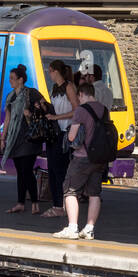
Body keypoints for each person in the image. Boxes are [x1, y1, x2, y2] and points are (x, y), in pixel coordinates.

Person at [53, 81, 109, 240]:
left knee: (69, 190)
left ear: (81, 94)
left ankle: (72, 228)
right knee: (94, 193)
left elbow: (72, 136)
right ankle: (89, 229)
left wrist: (70, 137)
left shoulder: (81, 110)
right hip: (100, 158)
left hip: (82, 158)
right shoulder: (104, 109)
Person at [0, 65, 42, 214]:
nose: (10, 81)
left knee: (27, 170)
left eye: (12, 78)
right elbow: (8, 118)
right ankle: (20, 203)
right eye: (10, 78)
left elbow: (43, 108)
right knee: (20, 171)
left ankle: (35, 203)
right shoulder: (10, 97)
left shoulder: (32, 94)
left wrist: (30, 114)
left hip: (30, 138)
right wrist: (3, 138)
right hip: (15, 139)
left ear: (21, 80)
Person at [41, 60, 77, 219]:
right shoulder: (55, 89)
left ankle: (60, 205)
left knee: (60, 170)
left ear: (56, 71)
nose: (49, 74)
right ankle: (57, 204)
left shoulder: (69, 87)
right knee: (53, 171)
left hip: (63, 133)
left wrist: (56, 116)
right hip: (53, 133)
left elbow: (76, 110)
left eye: (50, 71)